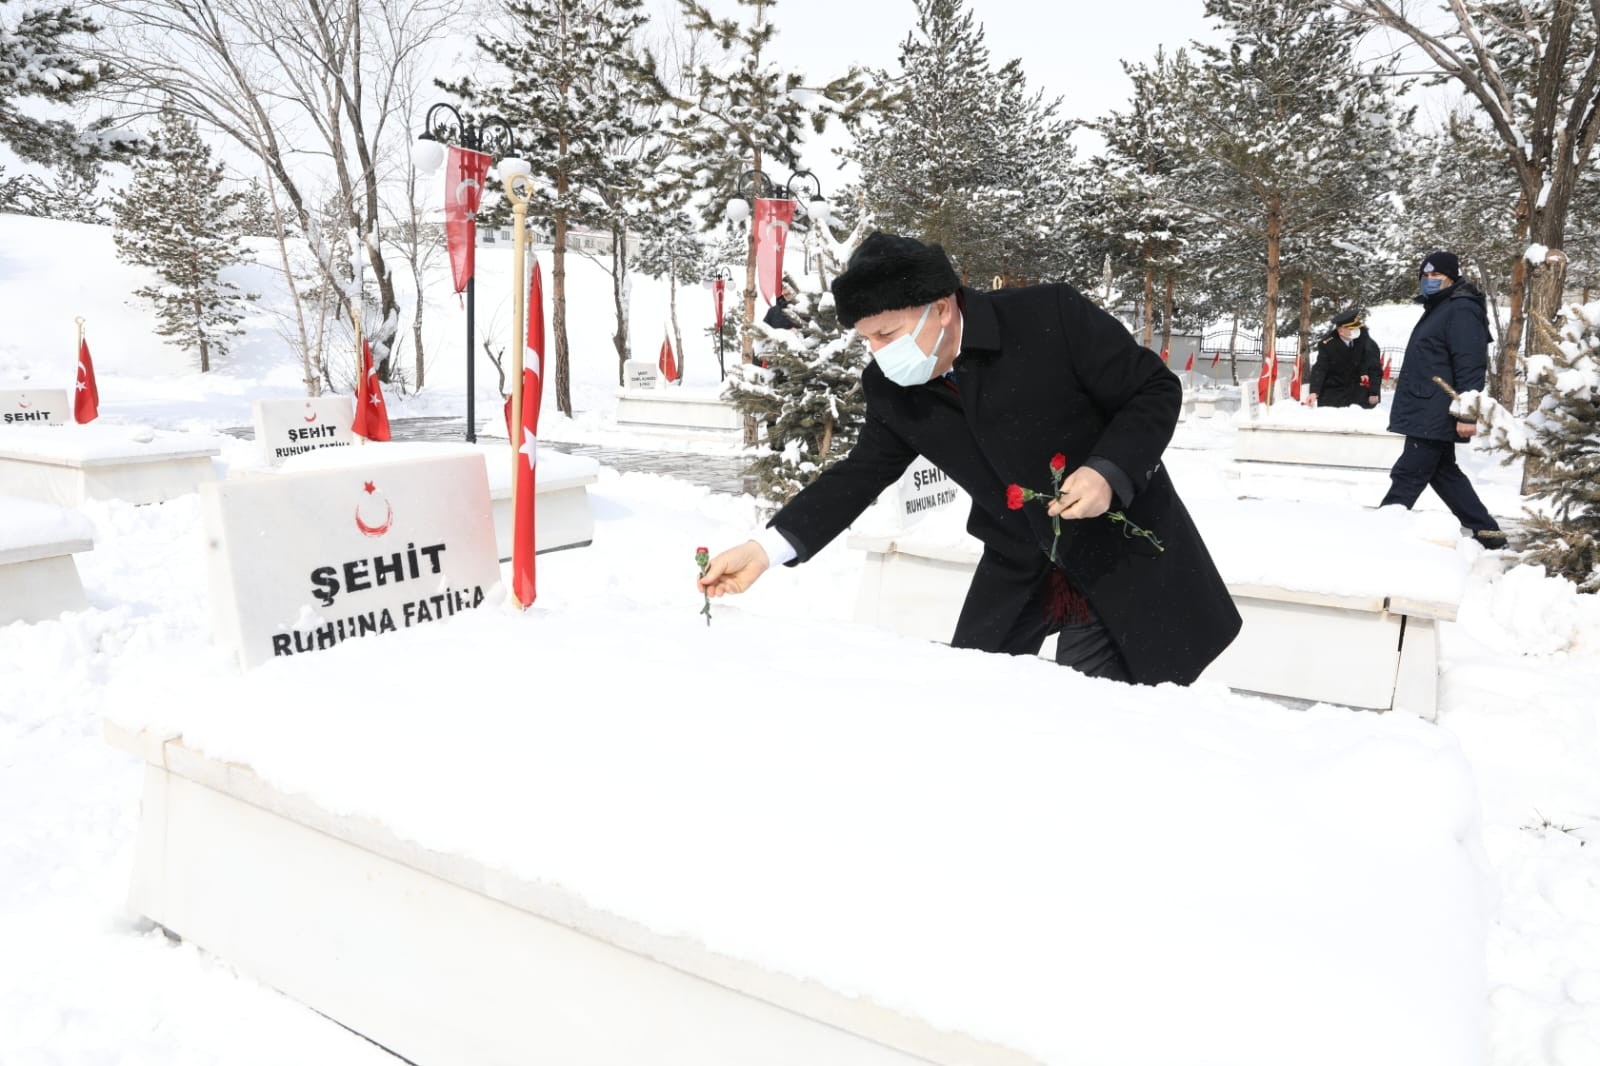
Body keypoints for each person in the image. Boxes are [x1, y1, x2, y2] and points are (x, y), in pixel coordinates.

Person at [698, 233, 1241, 685]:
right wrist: (766, 547)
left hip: (1120, 551)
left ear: (940, 306)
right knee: (972, 691)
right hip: (1021, 561)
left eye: (888, 333)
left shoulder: (1049, 317)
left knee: (1094, 710)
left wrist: (1108, 470)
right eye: (867, 341)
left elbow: (1153, 390)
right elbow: (861, 472)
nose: (880, 353)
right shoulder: (892, 387)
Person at [1380, 251, 1506, 547]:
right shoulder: (1441, 307)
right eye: (1425, 276)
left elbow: (1470, 363)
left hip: (1437, 408)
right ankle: (1492, 537)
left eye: (1436, 276)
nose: (1429, 281)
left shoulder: (1461, 309)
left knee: (1408, 474)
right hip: (1426, 405)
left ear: (1452, 277)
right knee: (1444, 475)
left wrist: (1467, 413)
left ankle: (1382, 532)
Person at [1307, 308, 1381, 408]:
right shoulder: (1328, 345)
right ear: (1341, 331)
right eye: (1352, 329)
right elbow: (1320, 368)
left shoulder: (1365, 341)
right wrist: (1314, 392)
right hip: (1335, 394)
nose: (1357, 331)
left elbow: (1374, 368)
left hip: (1358, 394)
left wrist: (1374, 392)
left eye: (1357, 327)